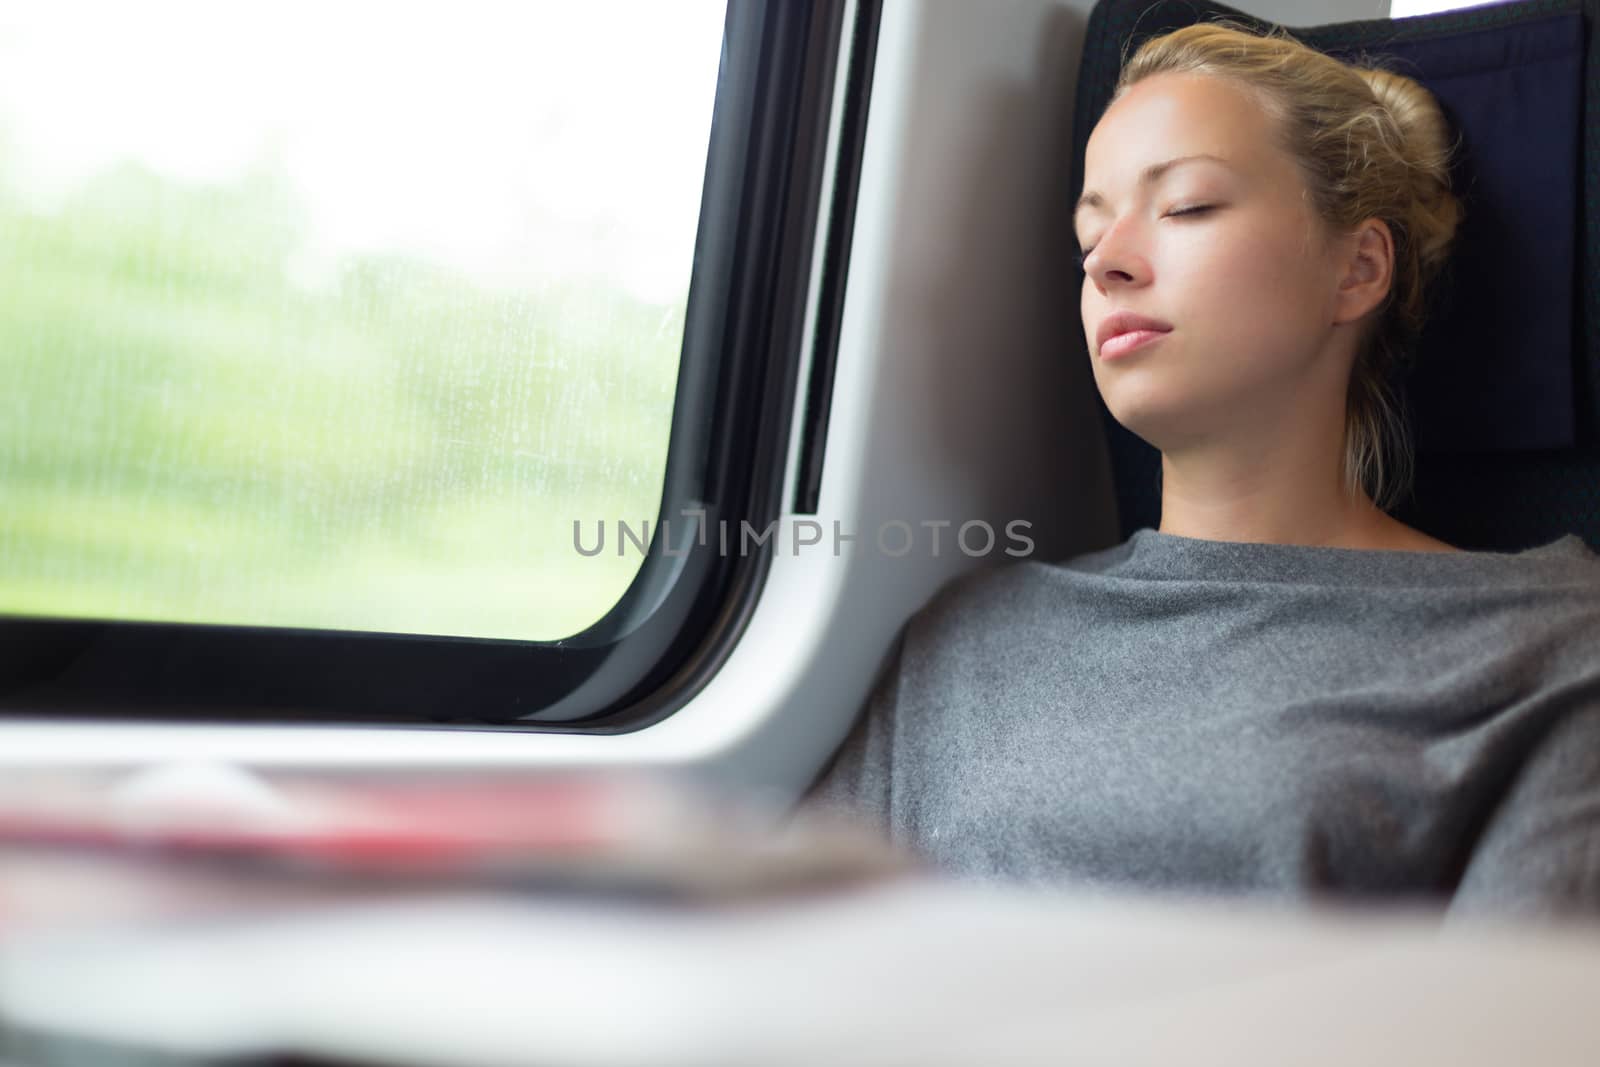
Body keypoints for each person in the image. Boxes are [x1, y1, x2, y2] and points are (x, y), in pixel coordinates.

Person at [801, 21, 1600, 919]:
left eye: (1185, 207)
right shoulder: (965, 643)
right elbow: (782, 956)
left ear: (1358, 267)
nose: (1107, 263)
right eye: (1087, 238)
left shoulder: (1547, 647)